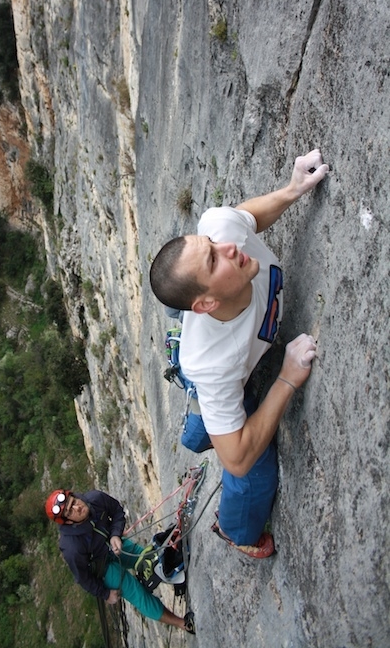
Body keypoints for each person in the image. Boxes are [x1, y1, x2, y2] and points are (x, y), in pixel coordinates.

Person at [149, 149, 329, 558]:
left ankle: (182, 302)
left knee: (213, 425)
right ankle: (234, 530)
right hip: (209, 364)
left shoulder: (221, 230)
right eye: (213, 258)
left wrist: (293, 189)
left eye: (211, 245)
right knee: (246, 470)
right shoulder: (213, 365)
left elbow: (244, 218)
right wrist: (285, 379)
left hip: (212, 325)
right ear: (208, 303)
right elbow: (238, 459)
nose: (228, 248)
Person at [45, 488, 195, 633]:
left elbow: (116, 510)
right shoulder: (72, 547)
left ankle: (176, 578)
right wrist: (105, 594)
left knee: (150, 560)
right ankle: (183, 624)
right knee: (137, 593)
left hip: (113, 543)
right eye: (70, 511)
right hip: (103, 567)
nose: (77, 507)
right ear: (68, 522)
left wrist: (115, 534)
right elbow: (83, 578)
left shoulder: (95, 499)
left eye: (74, 502)